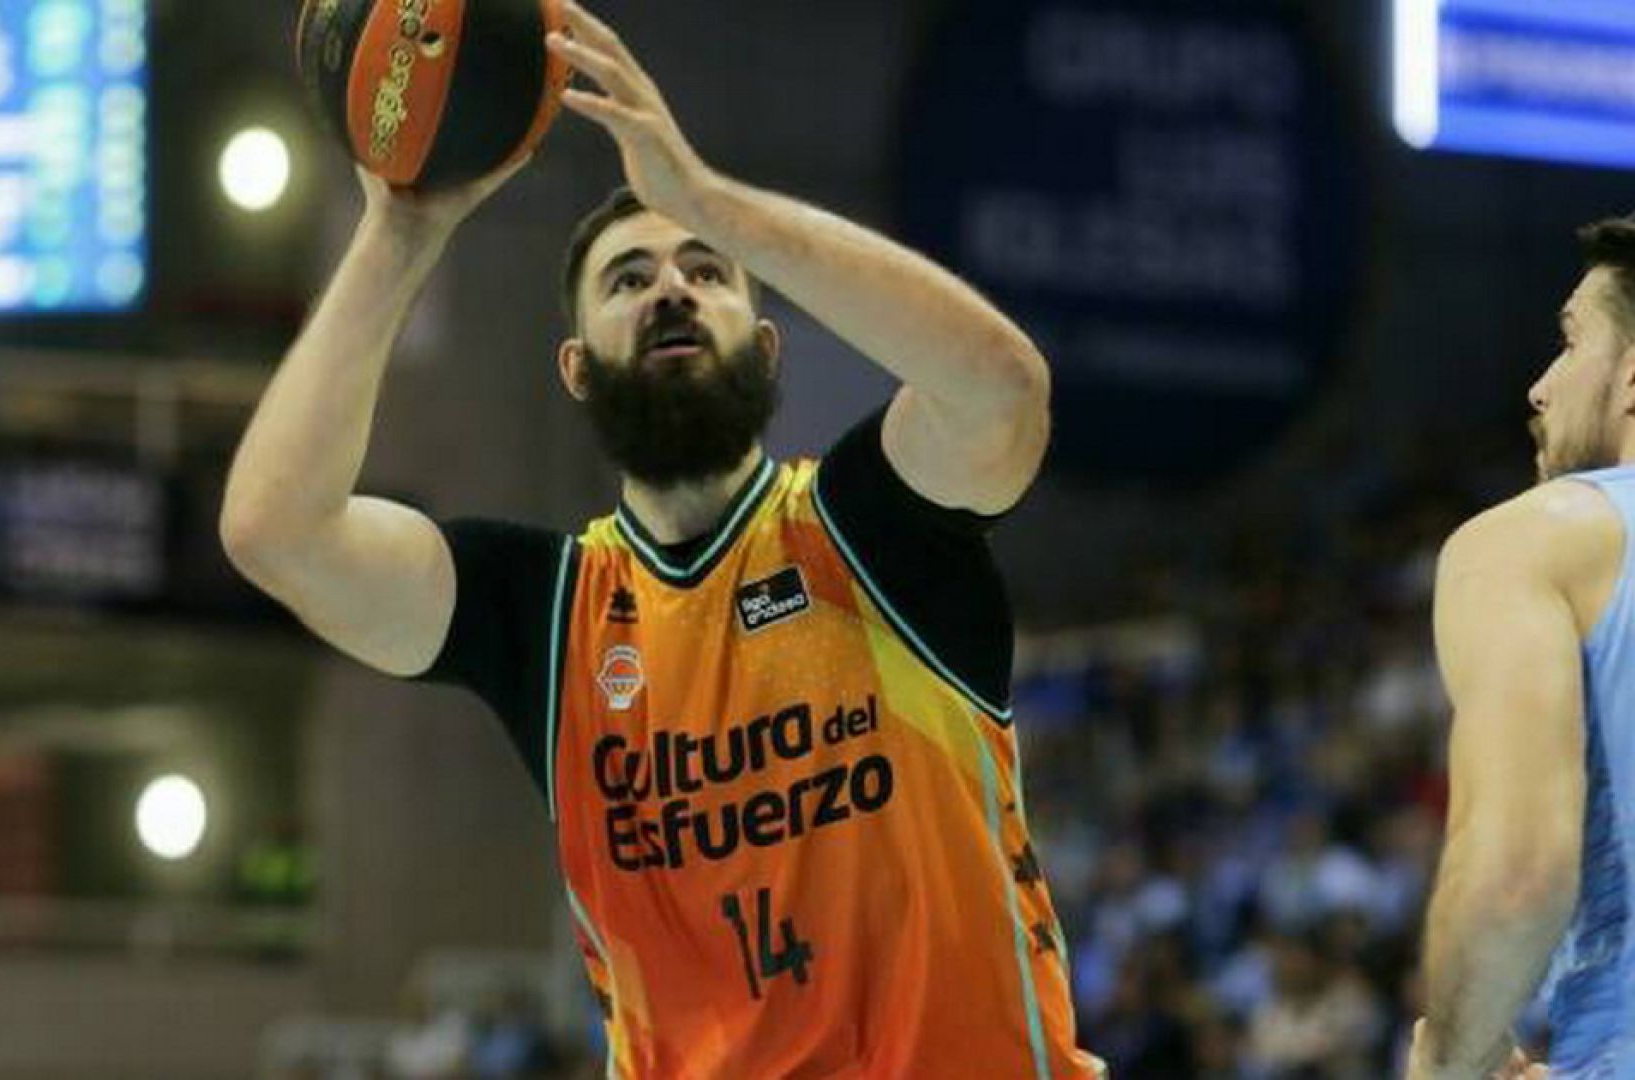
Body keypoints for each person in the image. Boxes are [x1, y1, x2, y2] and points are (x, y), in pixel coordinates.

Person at [223, 4, 1099, 1075]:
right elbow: (276, 531)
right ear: (576, 369)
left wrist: (710, 199)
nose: (671, 289)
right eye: (628, 281)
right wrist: (399, 237)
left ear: (766, 350)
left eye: (706, 271)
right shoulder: (549, 616)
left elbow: (1002, 390)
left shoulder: (872, 529)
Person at [1406, 212, 1635, 1080]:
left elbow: (1517, 878)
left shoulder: (1534, 540)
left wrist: (1450, 1059)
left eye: (1571, 343)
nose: (1540, 387)